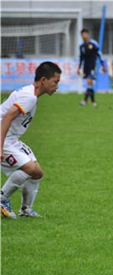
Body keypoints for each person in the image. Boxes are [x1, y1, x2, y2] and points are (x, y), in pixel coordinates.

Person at [1, 62, 61, 219]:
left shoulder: (31, 94)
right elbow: (7, 117)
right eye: (55, 82)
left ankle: (26, 210)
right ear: (43, 80)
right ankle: (2, 199)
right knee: (30, 168)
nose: (57, 86)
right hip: (4, 137)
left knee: (37, 173)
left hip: (11, 138)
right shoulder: (29, 97)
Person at [78, 28, 106, 107]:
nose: (84, 36)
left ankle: (85, 101)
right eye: (82, 34)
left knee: (89, 82)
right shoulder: (81, 46)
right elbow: (81, 58)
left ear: (88, 34)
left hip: (93, 65)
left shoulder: (93, 43)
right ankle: (92, 102)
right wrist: (79, 67)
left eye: (85, 34)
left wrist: (102, 65)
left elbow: (99, 54)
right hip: (85, 67)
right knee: (89, 84)